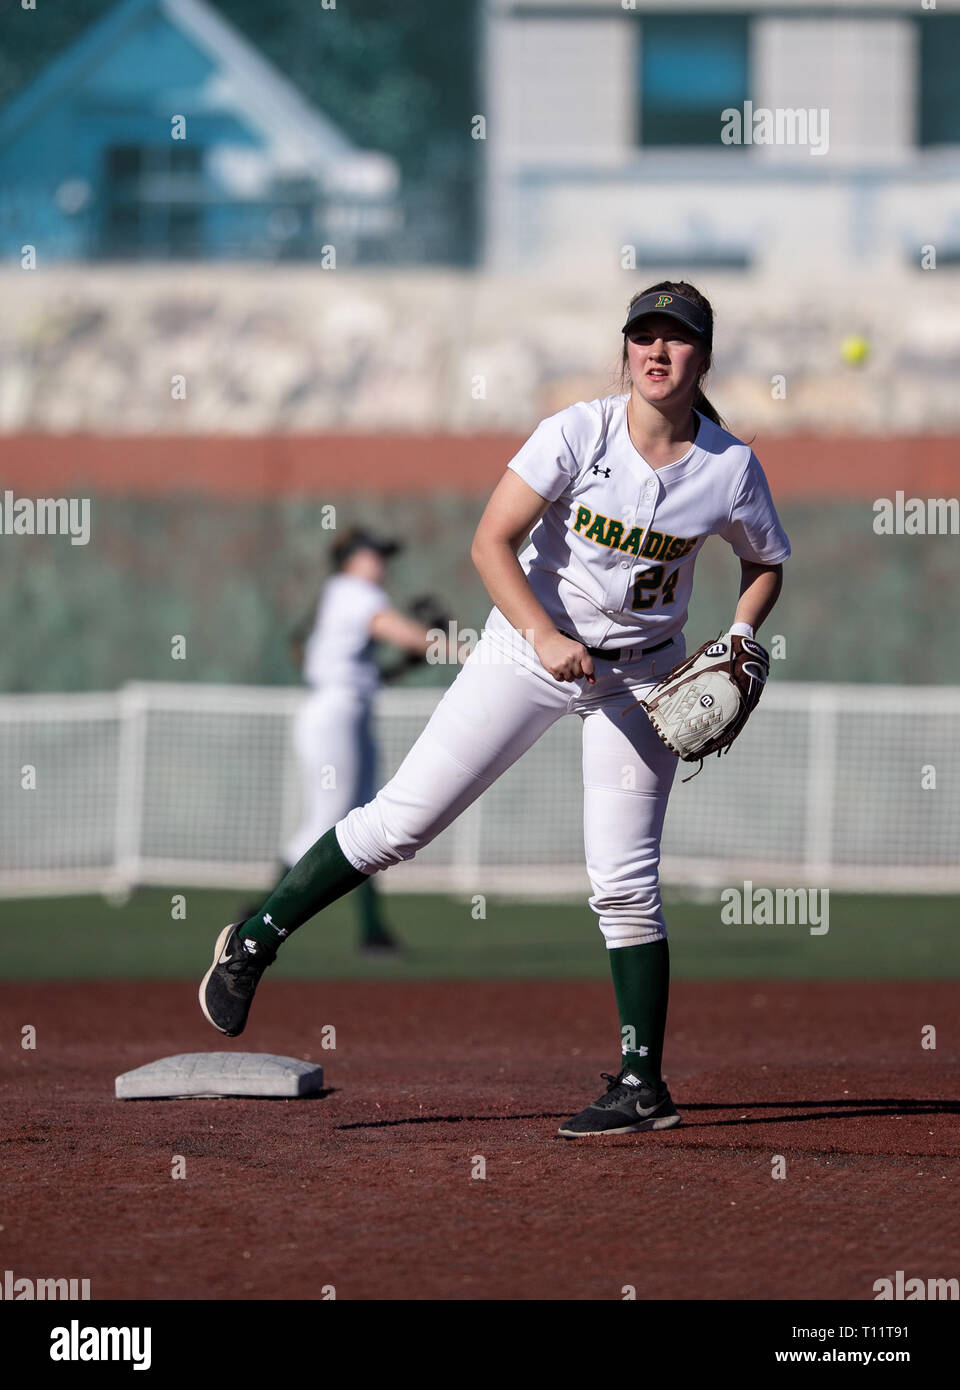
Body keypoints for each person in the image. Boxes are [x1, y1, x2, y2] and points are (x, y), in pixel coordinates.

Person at [200, 280, 790, 1138]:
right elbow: (491, 540)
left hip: (642, 679)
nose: (658, 352)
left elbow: (766, 560)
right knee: (400, 823)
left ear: (704, 356)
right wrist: (542, 633)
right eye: (644, 337)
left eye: (678, 339)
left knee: (624, 886)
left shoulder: (729, 469)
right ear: (625, 349)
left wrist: (741, 634)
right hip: (524, 653)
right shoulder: (578, 432)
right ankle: (254, 940)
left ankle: (641, 1083)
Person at [271, 527, 444, 953]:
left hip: (347, 713)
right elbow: (402, 633)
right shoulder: (352, 591)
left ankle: (372, 932)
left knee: (360, 819)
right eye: (374, 554)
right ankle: (258, 917)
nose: (381, 563)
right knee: (329, 822)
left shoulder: (343, 594)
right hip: (333, 715)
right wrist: (453, 644)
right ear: (352, 559)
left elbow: (375, 667)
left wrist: (417, 655)